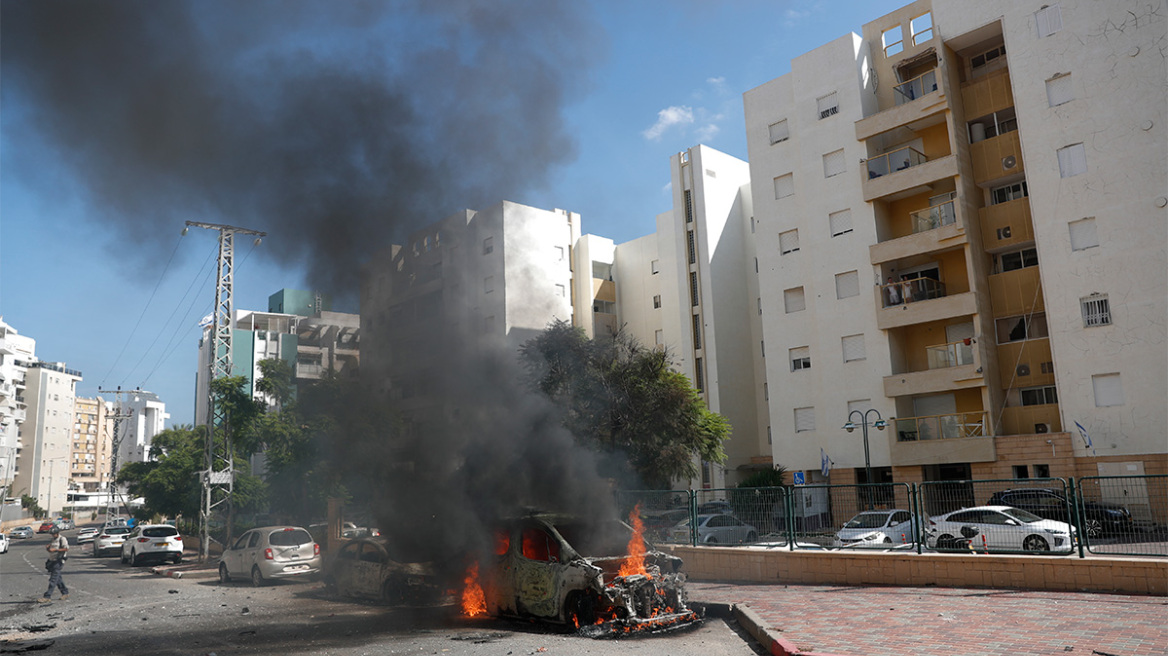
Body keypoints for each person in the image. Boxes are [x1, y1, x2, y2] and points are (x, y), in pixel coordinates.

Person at [38, 525, 69, 602]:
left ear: (57, 533)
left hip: (59, 561)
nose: (53, 535)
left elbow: (66, 548)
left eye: (54, 534)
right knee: (58, 578)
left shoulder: (62, 539)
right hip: (52, 560)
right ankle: (65, 592)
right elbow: (50, 551)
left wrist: (56, 550)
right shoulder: (53, 540)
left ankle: (47, 596)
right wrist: (48, 548)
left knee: (53, 579)